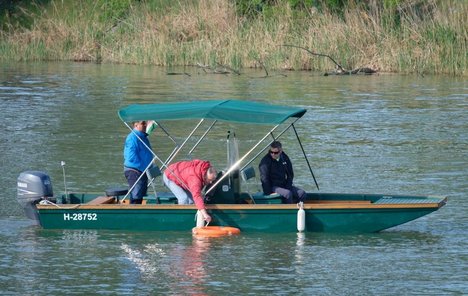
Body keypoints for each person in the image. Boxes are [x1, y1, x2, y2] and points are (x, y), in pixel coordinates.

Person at [123, 120, 154, 204]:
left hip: (143, 170)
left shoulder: (143, 137)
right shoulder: (132, 137)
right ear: (136, 125)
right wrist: (141, 167)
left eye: (145, 123)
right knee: (136, 195)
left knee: (140, 194)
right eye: (143, 123)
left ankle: (137, 210)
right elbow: (130, 156)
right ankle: (133, 213)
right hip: (135, 170)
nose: (145, 125)